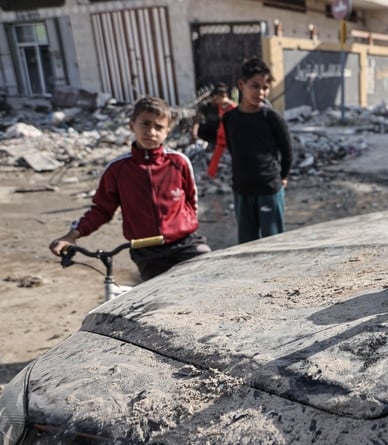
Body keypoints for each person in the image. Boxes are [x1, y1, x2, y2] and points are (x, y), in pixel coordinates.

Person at [49, 96, 211, 280]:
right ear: (132, 125)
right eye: (145, 124)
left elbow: (191, 203)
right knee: (158, 303)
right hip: (146, 251)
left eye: (159, 127)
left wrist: (181, 227)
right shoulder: (118, 170)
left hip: (186, 244)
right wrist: (72, 235)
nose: (151, 132)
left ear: (167, 131)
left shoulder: (179, 163)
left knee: (207, 280)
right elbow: (101, 210)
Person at [222, 57, 293, 244]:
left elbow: (286, 151)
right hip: (242, 190)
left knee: (273, 241)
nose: (260, 92)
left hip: (268, 188)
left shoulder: (271, 117)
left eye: (265, 88)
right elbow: (233, 147)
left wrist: (282, 176)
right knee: (247, 244)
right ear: (241, 84)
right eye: (255, 86)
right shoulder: (230, 118)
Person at [191, 83, 237, 178]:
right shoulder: (212, 106)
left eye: (219, 98)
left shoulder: (229, 107)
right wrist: (194, 133)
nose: (217, 101)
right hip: (219, 134)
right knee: (216, 155)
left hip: (228, 134)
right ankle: (211, 173)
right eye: (216, 98)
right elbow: (197, 120)